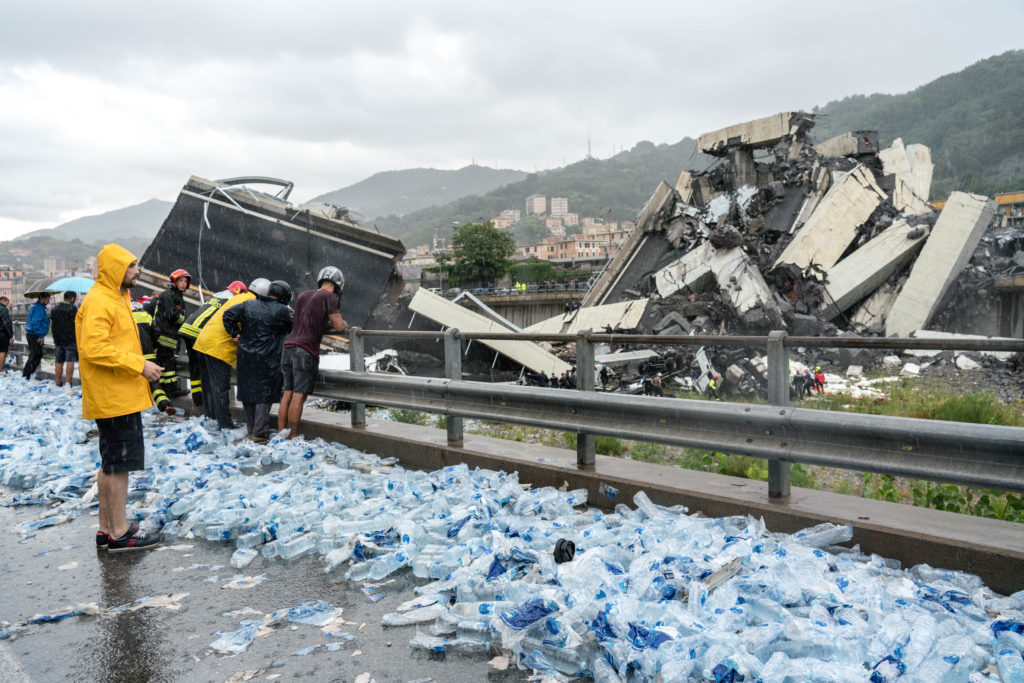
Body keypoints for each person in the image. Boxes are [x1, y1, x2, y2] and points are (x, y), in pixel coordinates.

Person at [76, 244, 163, 552]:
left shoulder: (114, 296)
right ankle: (120, 533)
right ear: (115, 269)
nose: (136, 270)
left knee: (110, 462)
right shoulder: (102, 300)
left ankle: (107, 527)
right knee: (119, 465)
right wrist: (140, 365)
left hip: (116, 394)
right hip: (116, 396)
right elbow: (95, 348)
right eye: (130, 265)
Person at [279, 266, 347, 439]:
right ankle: (293, 435)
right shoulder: (329, 297)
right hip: (305, 350)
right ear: (338, 285)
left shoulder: (303, 295)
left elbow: (305, 318)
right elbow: (338, 325)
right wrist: (344, 324)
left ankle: (281, 434)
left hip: (288, 347)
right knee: (299, 395)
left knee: (288, 392)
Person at [223, 280, 293, 443]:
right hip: (267, 358)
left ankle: (251, 428)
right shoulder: (282, 310)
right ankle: (259, 432)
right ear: (285, 296)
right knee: (264, 395)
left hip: (245, 356)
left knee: (248, 392)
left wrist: (235, 332)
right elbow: (295, 324)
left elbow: (228, 315)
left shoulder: (248, 304)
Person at [193, 281, 257, 429]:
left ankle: (211, 418)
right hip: (217, 347)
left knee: (208, 385)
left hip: (203, 342)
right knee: (220, 387)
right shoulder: (252, 302)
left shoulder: (238, 298)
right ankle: (225, 424)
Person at [179, 280, 252, 409]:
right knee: (202, 370)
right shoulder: (229, 302)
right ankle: (202, 401)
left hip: (187, 329)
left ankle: (198, 400)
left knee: (194, 366)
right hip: (198, 333)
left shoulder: (216, 297)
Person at [132, 300, 176, 416]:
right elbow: (156, 332)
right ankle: (165, 404)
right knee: (155, 383)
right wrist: (153, 348)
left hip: (133, 356)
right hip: (149, 355)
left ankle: (137, 409)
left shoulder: (125, 315)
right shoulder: (145, 314)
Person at [152, 269, 191, 398]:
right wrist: (184, 320)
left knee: (166, 364)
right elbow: (171, 315)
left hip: (171, 336)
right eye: (180, 281)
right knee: (168, 364)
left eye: (185, 281)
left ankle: (165, 388)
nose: (183, 284)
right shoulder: (168, 296)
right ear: (174, 281)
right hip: (164, 336)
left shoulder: (178, 296)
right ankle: (172, 390)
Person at [50, 291, 79, 387]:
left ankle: (58, 382)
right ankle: (68, 382)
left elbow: (51, 324)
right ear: (71, 298)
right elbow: (78, 323)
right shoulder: (72, 309)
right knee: (70, 361)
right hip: (70, 339)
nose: (75, 301)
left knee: (59, 361)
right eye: (74, 299)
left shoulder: (54, 309)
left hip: (58, 339)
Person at [22, 292, 50, 380]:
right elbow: (35, 323)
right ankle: (27, 374)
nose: (48, 301)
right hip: (35, 335)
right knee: (35, 355)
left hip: (33, 334)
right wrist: (40, 335)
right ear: (42, 299)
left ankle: (28, 373)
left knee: (35, 355)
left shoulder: (38, 307)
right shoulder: (38, 308)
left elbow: (39, 320)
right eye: (47, 299)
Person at [0, 296, 12, 372]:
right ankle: (0, 370)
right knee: (2, 352)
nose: (7, 305)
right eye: (7, 303)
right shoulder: (3, 309)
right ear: (3, 301)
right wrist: (10, 335)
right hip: (1, 334)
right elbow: (6, 324)